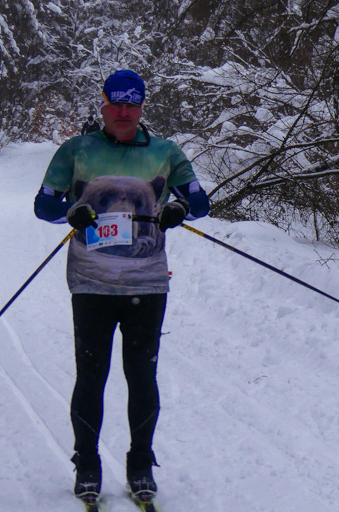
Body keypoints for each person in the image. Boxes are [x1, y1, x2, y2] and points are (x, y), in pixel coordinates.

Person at [33, 70, 210, 503]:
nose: (124, 112)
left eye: (133, 104)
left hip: (146, 284)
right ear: (104, 105)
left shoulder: (165, 153)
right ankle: (87, 464)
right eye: (117, 104)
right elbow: (43, 205)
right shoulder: (77, 149)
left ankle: (140, 464)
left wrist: (178, 209)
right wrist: (69, 213)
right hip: (91, 283)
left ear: (142, 106)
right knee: (92, 376)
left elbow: (201, 201)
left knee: (142, 376)